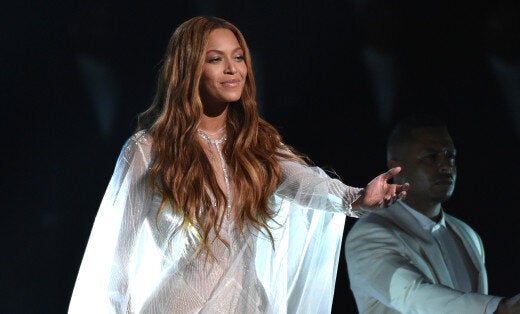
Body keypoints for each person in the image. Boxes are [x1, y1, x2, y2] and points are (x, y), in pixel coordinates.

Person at [68, 16, 408, 314]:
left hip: (249, 302)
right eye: (216, 59)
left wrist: (358, 198)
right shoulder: (149, 149)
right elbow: (114, 260)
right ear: (188, 69)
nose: (233, 69)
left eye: (239, 57)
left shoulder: (256, 144)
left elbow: (307, 183)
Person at [344, 114, 520, 313]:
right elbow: (412, 295)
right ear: (396, 167)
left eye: (450, 155)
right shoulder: (370, 233)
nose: (446, 165)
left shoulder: (466, 234)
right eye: (431, 157)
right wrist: (499, 308)